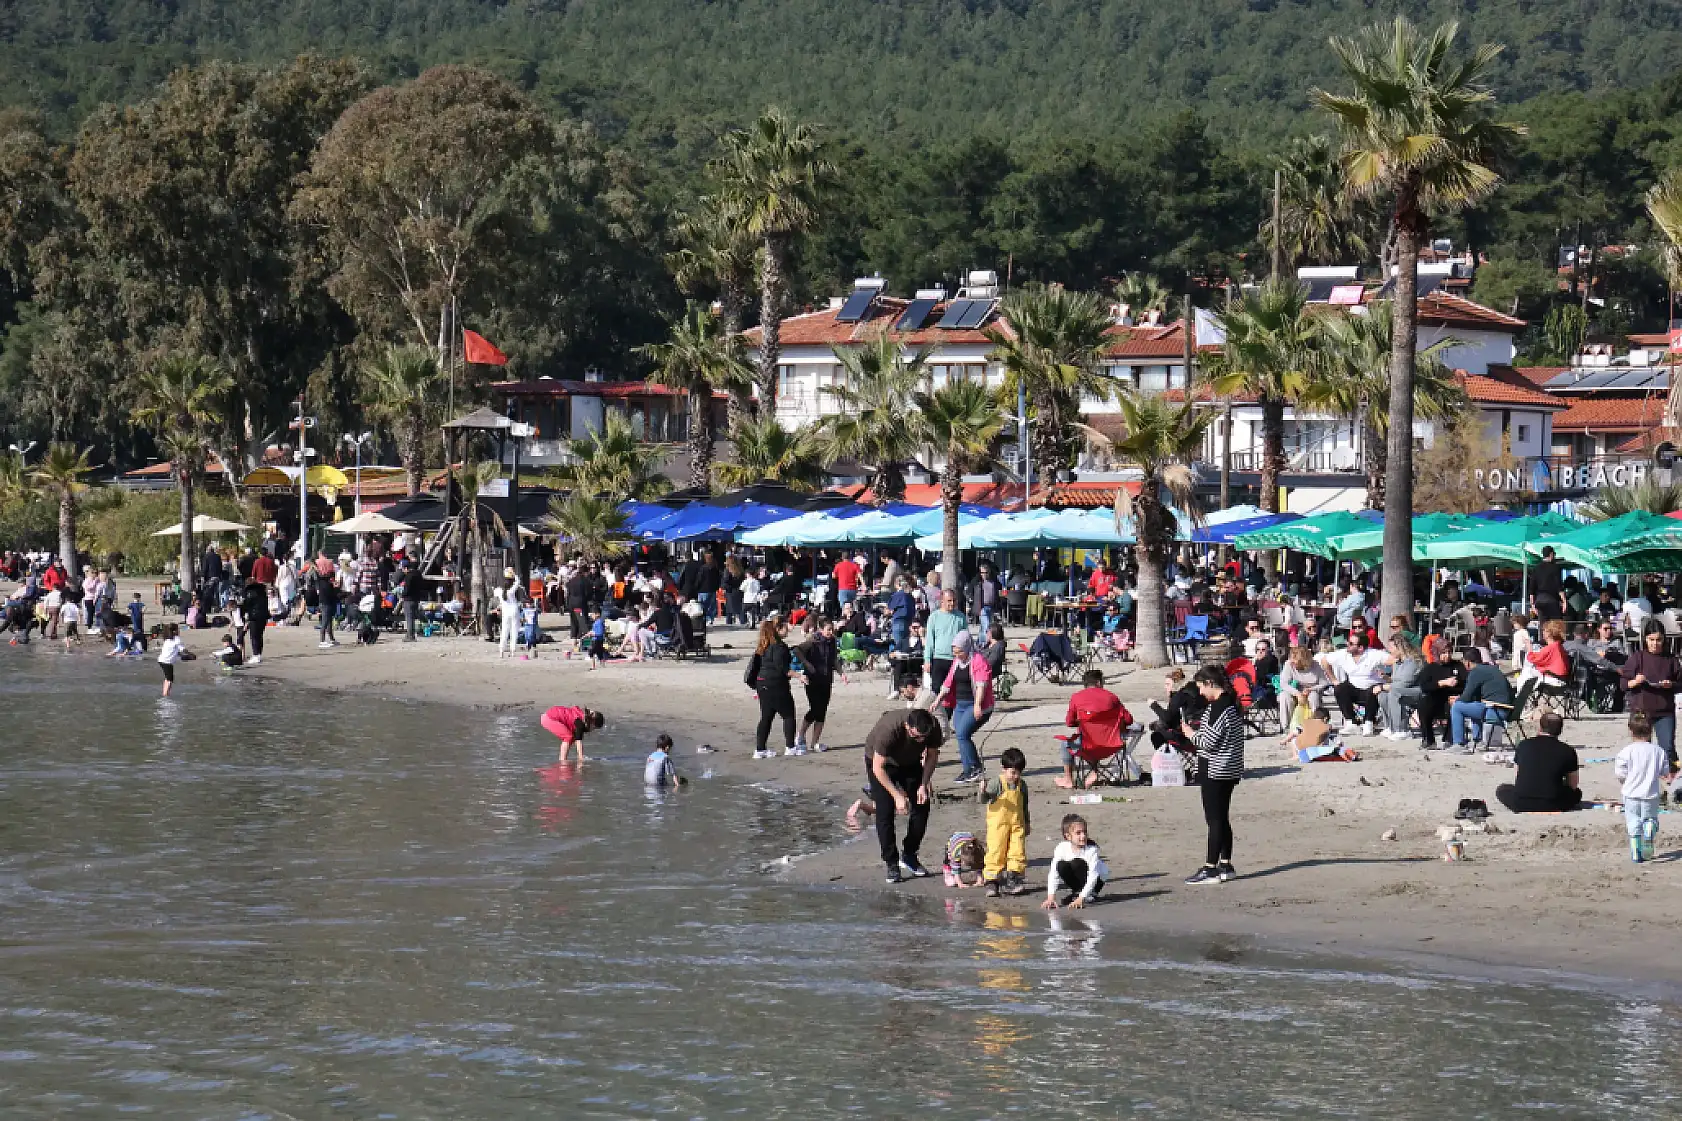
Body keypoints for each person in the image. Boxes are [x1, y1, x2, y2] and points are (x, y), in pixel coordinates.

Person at [865, 707, 942, 883]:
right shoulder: (889, 729)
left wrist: (923, 783)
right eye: (916, 737)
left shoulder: (932, 727)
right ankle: (891, 863)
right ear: (907, 726)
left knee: (922, 805)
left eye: (923, 737)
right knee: (885, 811)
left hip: (910, 762)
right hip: (881, 764)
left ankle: (909, 854)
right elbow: (878, 767)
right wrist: (897, 796)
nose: (920, 740)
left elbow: (931, 756)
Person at [1184, 666, 1244, 884]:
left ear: (1210, 684)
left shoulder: (1218, 708)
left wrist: (1191, 734)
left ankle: (1210, 868)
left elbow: (1207, 742)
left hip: (1215, 769)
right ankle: (1225, 865)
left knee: (1214, 820)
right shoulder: (1231, 705)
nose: (1200, 693)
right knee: (1222, 818)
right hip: (1230, 768)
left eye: (1201, 687)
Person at [1620, 621, 1682, 768]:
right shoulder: (1637, 657)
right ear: (1645, 639)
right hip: (1641, 711)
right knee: (1643, 750)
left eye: (1658, 640)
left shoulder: (1671, 660)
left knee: (1667, 748)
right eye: (1651, 639)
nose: (1655, 644)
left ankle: (1672, 780)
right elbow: (1623, 685)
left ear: (1664, 639)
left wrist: (1671, 684)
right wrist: (1635, 681)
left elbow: (1680, 683)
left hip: (1664, 712)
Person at [938, 629, 996, 783]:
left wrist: (977, 705)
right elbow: (948, 682)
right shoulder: (957, 661)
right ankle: (969, 769)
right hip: (960, 704)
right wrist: (936, 701)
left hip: (977, 704)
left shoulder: (978, 660)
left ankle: (974, 768)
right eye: (954, 652)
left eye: (959, 652)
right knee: (961, 736)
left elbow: (981, 685)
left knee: (963, 734)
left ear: (967, 648)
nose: (957, 655)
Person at [1494, 711, 1582, 813]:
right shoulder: (1568, 750)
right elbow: (1573, 784)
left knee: (1502, 789)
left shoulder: (1523, 745)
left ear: (1540, 727)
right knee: (1577, 793)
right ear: (1560, 730)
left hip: (1521, 802)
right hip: (1554, 803)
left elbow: (1518, 773)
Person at [1060, 669, 1130, 789]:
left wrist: (1083, 721)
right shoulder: (1111, 697)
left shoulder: (1076, 697)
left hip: (1088, 745)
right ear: (1098, 682)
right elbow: (1128, 719)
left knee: (1065, 743)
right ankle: (1093, 772)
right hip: (1112, 744)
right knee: (1094, 737)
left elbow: (1069, 722)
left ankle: (1068, 779)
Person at [745, 618, 803, 759]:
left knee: (766, 717)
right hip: (776, 683)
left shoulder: (763, 645)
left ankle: (760, 750)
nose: (788, 629)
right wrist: (799, 676)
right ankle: (790, 747)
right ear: (778, 629)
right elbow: (783, 669)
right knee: (788, 715)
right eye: (785, 627)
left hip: (761, 683)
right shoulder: (779, 647)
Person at [1613, 711, 1667, 861]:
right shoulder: (1658, 751)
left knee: (1633, 821)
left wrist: (1625, 781)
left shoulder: (1626, 752)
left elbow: (1620, 773)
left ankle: (1636, 852)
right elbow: (1664, 772)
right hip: (1651, 793)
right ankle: (1649, 828)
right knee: (1650, 818)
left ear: (1630, 731)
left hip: (1631, 793)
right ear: (1651, 731)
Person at [978, 746, 1030, 897]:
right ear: (1003, 769)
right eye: (1013, 772)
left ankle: (1013, 878)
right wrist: (982, 791)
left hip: (1017, 823)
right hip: (997, 825)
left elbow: (1025, 805)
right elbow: (983, 799)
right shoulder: (997, 783)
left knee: (1017, 851)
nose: (1015, 776)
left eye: (1018, 772)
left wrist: (1027, 822)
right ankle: (992, 881)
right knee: (996, 850)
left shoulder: (1022, 785)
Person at [1449, 648, 1515, 752]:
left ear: (1467, 662)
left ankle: (1459, 743)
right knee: (1475, 705)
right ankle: (1477, 740)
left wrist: (1457, 699)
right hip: (1505, 709)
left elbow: (1466, 697)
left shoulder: (1476, 672)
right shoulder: (1491, 668)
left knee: (1457, 708)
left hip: (1495, 711)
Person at [1327, 630, 1388, 735]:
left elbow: (1394, 660)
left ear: (1360, 648)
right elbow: (1325, 661)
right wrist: (1334, 680)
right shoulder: (1343, 654)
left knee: (1372, 689)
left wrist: (1388, 677)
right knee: (1340, 688)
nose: (1347, 645)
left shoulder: (1374, 654)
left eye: (1351, 643)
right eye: (1348, 642)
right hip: (1353, 688)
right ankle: (1351, 723)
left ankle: (1368, 722)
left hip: (1371, 690)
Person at [1042, 814, 1108, 910]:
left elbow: (1093, 876)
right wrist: (1050, 898)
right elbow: (1053, 873)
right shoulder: (1061, 848)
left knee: (1077, 862)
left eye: (1084, 832)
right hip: (1080, 876)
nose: (1083, 836)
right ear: (1068, 836)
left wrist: (1081, 898)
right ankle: (1077, 892)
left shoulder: (1091, 850)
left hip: (1098, 879)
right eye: (1078, 833)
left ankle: (1088, 894)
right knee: (1061, 865)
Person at [795, 617, 838, 753]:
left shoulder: (832, 641)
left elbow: (834, 659)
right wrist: (807, 664)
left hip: (826, 680)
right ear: (821, 629)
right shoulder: (813, 641)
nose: (831, 632)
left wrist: (841, 672)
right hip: (812, 679)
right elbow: (797, 650)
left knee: (822, 712)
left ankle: (814, 743)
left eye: (832, 629)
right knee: (815, 709)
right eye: (828, 630)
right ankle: (800, 735)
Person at [925, 588, 967, 707]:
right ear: (942, 601)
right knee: (936, 689)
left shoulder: (960, 617)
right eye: (949, 600)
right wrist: (927, 660)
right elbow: (929, 640)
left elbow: (965, 638)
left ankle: (949, 714)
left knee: (954, 691)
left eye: (954, 600)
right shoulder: (934, 617)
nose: (952, 603)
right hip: (938, 658)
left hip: (955, 659)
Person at [1379, 636, 1423, 741]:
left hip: (1417, 691)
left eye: (1391, 647)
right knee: (1383, 694)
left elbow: (1406, 682)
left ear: (1400, 647)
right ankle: (1391, 726)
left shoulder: (1413, 661)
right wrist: (1386, 679)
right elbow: (1396, 681)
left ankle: (1402, 729)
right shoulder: (1397, 662)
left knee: (1393, 692)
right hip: (1401, 690)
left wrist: (1385, 686)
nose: (1389, 650)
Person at [1277, 644, 1324, 732]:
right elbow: (1283, 683)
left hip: (1312, 689)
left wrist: (1311, 689)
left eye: (1295, 660)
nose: (1292, 662)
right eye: (1291, 659)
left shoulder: (1316, 666)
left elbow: (1324, 683)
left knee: (1313, 697)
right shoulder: (1289, 664)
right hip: (1296, 689)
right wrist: (1297, 693)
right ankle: (1287, 726)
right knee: (1284, 696)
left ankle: (1312, 725)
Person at [1530, 545, 1563, 620]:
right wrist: (1564, 601)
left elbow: (1532, 588)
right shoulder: (1555, 567)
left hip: (1540, 600)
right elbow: (1559, 586)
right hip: (1551, 600)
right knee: (1555, 624)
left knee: (1543, 625)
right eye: (1554, 554)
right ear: (1551, 554)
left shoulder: (1536, 568)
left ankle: (1543, 632)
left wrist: (1532, 605)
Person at [157, 623, 185, 698]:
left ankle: (165, 692)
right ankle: (166, 694)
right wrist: (192, 655)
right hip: (167, 661)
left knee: (167, 677)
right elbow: (183, 650)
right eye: (177, 629)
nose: (179, 631)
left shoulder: (167, 638)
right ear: (175, 631)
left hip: (161, 660)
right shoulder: (176, 639)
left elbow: (174, 650)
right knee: (170, 679)